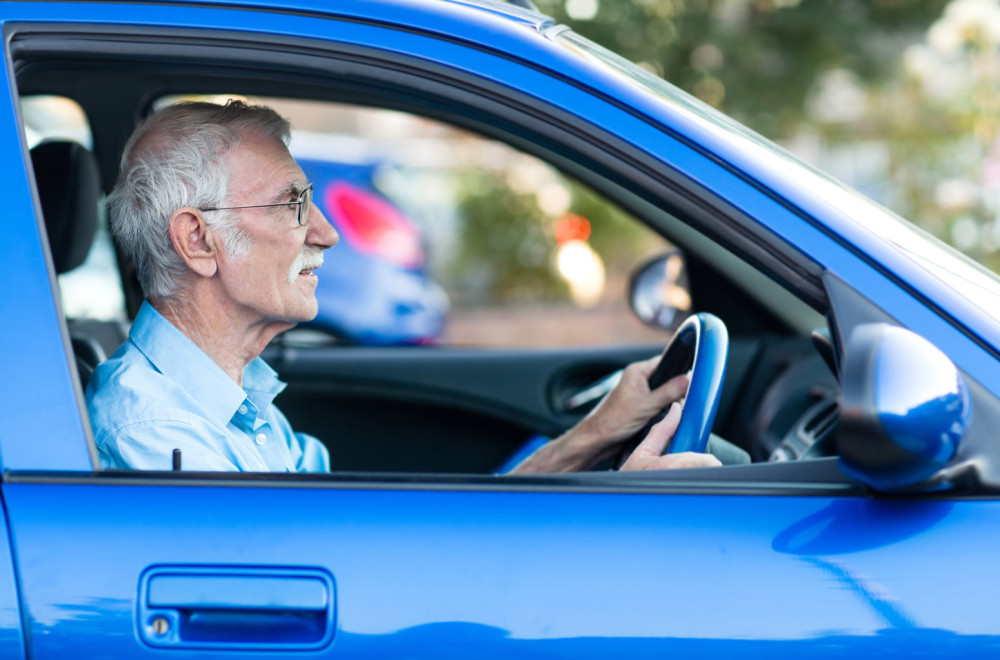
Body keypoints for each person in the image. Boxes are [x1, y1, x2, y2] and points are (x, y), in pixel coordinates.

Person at [86, 100, 721, 474]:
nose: (328, 234)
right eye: (292, 205)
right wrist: (616, 519)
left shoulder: (229, 402)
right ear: (198, 240)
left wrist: (592, 438)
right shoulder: (160, 436)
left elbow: (383, 560)